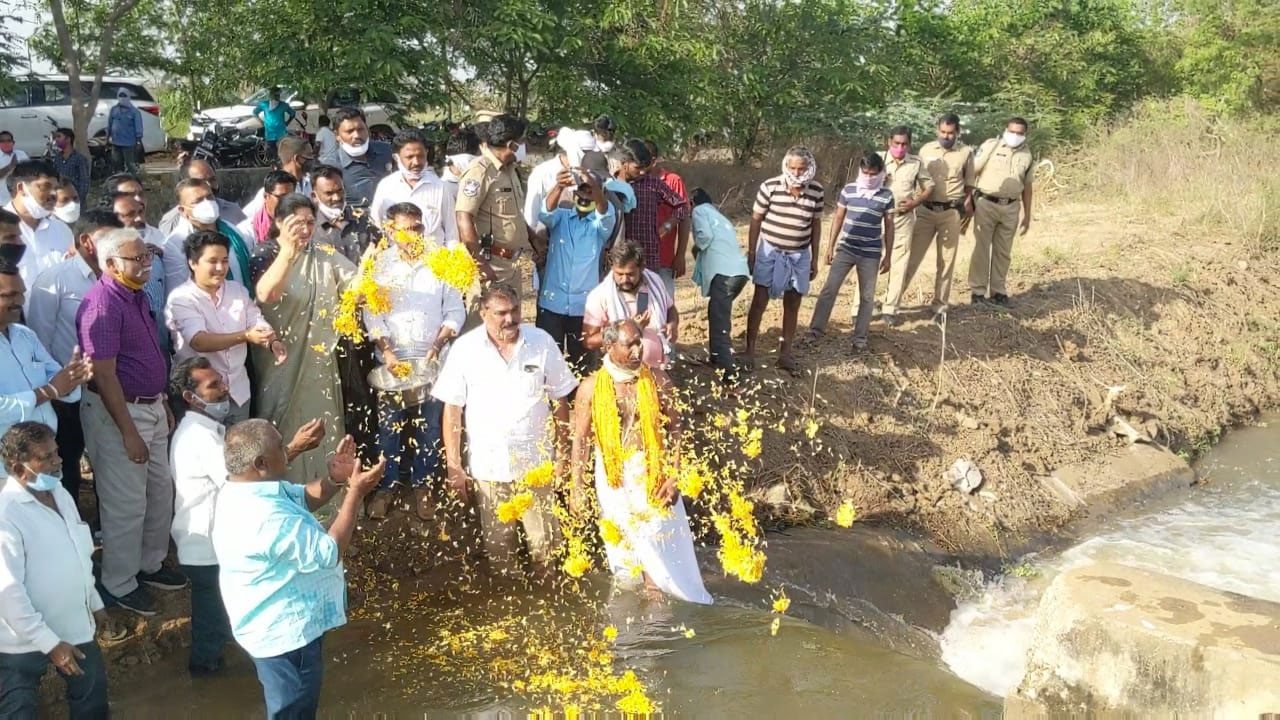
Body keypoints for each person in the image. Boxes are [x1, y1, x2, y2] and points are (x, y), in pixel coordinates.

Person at [212, 419, 383, 718]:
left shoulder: (241, 489)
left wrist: (335, 480)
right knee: (293, 710)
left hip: (267, 625)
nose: (289, 449)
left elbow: (300, 498)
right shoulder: (264, 518)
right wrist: (355, 493)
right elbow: (329, 553)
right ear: (261, 463)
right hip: (286, 637)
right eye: (281, 446)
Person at [168, 358, 324, 677]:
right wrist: (293, 448)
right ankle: (209, 683)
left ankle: (228, 680)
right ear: (189, 397)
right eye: (213, 386)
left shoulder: (206, 430)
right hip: (206, 547)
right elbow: (245, 480)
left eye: (221, 381)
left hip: (211, 544)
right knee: (211, 629)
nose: (224, 388)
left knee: (221, 619)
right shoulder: (199, 436)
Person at [77, 227, 186, 616]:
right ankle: (119, 582)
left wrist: (160, 403)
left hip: (150, 406)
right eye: (136, 258)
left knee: (159, 491)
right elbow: (103, 375)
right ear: (109, 264)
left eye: (147, 257)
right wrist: (128, 432)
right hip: (119, 412)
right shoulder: (102, 304)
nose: (146, 264)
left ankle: (150, 564)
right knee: (126, 503)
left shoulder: (134, 296)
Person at [432, 284, 576, 576]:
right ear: (483, 313)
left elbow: (560, 402)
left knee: (546, 548)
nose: (510, 319)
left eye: (515, 311)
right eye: (501, 313)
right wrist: (454, 466)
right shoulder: (465, 349)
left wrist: (563, 457)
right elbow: (452, 411)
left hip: (537, 466)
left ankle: (548, 606)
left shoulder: (542, 342)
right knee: (499, 551)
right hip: (490, 467)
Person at [570, 319, 712, 604]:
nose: (638, 350)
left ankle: (664, 615)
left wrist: (675, 476)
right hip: (612, 477)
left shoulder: (657, 380)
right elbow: (581, 440)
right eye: (629, 344)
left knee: (659, 547)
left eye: (639, 342)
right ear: (609, 346)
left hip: (653, 473)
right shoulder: (590, 387)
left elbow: (676, 429)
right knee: (624, 553)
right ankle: (633, 628)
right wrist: (577, 488)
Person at [0, 421, 110, 718]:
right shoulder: (6, 514)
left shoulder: (60, 493)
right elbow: (8, 593)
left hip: (74, 626)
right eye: (46, 457)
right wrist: (49, 643)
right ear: (18, 467)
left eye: (57, 452)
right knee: (18, 711)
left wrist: (95, 602)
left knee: (92, 705)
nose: (58, 461)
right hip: (20, 642)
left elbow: (79, 553)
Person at [362, 203, 464, 521]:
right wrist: (388, 351)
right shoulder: (379, 266)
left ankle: (422, 487)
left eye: (419, 227)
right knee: (389, 429)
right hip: (393, 362)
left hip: (432, 360)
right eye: (407, 228)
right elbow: (371, 313)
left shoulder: (441, 264)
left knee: (430, 427)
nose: (415, 234)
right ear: (391, 231)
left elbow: (454, 311)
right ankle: (387, 486)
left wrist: (437, 344)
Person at [251, 194, 359, 485]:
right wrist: (288, 252)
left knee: (322, 415)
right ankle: (284, 488)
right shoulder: (265, 253)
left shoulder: (322, 253)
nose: (305, 229)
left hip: (318, 361)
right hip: (278, 359)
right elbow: (266, 295)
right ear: (279, 222)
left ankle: (327, 489)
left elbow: (357, 284)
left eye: (310, 222)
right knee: (281, 421)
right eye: (296, 222)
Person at [28, 211, 122, 505]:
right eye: (108, 237)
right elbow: (40, 340)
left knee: (108, 458)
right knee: (67, 459)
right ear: (86, 240)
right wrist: (60, 386)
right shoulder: (55, 280)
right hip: (67, 393)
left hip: (109, 385)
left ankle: (104, 524)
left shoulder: (116, 277)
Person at [167, 231, 286, 425]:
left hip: (238, 392)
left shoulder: (236, 290)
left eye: (224, 260)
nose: (220, 268)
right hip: (203, 396)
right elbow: (199, 341)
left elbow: (255, 319)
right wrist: (246, 336)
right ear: (193, 263)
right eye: (212, 261)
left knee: (240, 451)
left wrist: (271, 341)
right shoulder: (182, 298)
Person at [743, 146, 825, 372]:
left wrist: (814, 258)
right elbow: (755, 220)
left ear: (809, 168)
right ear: (786, 166)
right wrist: (752, 252)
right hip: (770, 251)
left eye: (802, 168)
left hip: (799, 254)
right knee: (760, 300)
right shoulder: (770, 187)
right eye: (793, 168)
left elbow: (816, 225)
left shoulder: (816, 191)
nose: (797, 173)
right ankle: (749, 350)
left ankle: (785, 353)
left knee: (793, 302)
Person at [806, 151, 896, 351]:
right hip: (846, 249)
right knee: (829, 289)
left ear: (881, 172)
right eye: (865, 173)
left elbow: (889, 226)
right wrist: (830, 247)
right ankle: (815, 330)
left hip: (871, 253)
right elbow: (838, 218)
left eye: (873, 174)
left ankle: (860, 338)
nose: (869, 178)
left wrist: (888, 255)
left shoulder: (886, 196)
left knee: (866, 296)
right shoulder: (849, 190)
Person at [0, 265, 93, 440]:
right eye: (10, 295)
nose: (20, 301)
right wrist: (49, 391)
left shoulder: (24, 335)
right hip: (7, 461)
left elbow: (56, 379)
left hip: (45, 452)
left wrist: (72, 377)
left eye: (21, 293)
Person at [537, 167, 615, 370]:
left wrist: (594, 185)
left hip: (584, 307)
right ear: (574, 193)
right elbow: (545, 213)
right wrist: (559, 185)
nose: (584, 197)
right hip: (552, 303)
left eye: (591, 192)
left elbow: (604, 212)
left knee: (582, 364)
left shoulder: (600, 225)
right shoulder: (560, 217)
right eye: (582, 191)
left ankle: (579, 400)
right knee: (547, 360)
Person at [898, 112, 974, 320]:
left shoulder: (966, 153)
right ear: (937, 130)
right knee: (911, 258)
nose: (946, 136)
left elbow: (969, 185)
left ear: (957, 132)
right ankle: (893, 301)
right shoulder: (926, 150)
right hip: (925, 212)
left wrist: (965, 209)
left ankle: (940, 305)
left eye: (950, 133)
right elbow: (916, 179)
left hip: (950, 213)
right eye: (942, 132)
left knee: (946, 261)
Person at [455, 114, 535, 294]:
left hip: (512, 264)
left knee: (510, 320)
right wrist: (480, 264)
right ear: (511, 145)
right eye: (522, 141)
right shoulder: (480, 171)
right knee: (485, 320)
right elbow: (463, 216)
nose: (524, 145)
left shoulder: (510, 169)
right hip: (491, 264)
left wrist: (533, 238)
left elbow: (513, 215)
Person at [968, 117, 1035, 306]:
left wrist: (1028, 215)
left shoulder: (1027, 155)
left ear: (1025, 134)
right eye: (1012, 131)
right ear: (1006, 129)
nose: (1015, 136)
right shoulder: (991, 146)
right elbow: (973, 171)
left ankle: (998, 291)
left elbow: (1027, 188)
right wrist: (966, 199)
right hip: (986, 203)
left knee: (1003, 251)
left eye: (1019, 133)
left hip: (1012, 207)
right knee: (981, 249)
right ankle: (978, 291)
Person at [877, 126, 937, 326]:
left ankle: (890, 309)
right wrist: (878, 181)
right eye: (896, 143)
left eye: (904, 144)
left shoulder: (916, 163)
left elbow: (929, 186)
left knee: (899, 262)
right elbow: (861, 183)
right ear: (889, 142)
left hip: (902, 217)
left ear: (909, 144)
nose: (900, 148)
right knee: (870, 261)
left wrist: (916, 202)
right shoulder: (877, 159)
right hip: (877, 218)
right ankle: (861, 306)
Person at [583, 241, 676, 369]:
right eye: (619, 274)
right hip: (622, 375)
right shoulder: (600, 295)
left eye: (630, 274)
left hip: (658, 368)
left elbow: (671, 308)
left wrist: (672, 323)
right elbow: (588, 341)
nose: (624, 280)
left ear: (641, 268)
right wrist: (629, 328)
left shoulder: (654, 282)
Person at [689, 188, 750, 384]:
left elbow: (705, 237)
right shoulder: (720, 216)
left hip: (724, 275)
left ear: (692, 203)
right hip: (738, 272)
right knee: (716, 313)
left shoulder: (698, 212)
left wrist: (695, 247)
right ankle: (716, 357)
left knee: (720, 324)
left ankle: (729, 375)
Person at [617, 140, 690, 298]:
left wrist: (667, 226)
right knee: (623, 304)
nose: (643, 172)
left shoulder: (653, 184)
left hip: (648, 259)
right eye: (638, 168)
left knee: (646, 302)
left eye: (645, 167)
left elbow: (683, 207)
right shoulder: (610, 187)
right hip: (621, 261)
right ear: (624, 164)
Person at [162, 178, 256, 295]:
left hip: (244, 305)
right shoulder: (176, 243)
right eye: (198, 201)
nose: (207, 203)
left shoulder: (231, 230)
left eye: (210, 197)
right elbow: (177, 291)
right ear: (182, 210)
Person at [109, 185, 170, 353]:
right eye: (129, 215)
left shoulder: (154, 253)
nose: (138, 220)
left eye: (139, 212)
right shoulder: (105, 264)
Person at [369, 129, 457, 244]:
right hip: (396, 259)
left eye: (420, 156)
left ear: (426, 153)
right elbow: (376, 226)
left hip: (433, 259)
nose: (416, 162)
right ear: (397, 158)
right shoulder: (385, 186)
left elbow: (452, 233)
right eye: (409, 157)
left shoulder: (441, 187)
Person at [4, 160, 73, 290]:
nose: (53, 194)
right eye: (45, 186)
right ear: (21, 188)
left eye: (55, 188)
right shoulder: (3, 227)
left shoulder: (62, 231)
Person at [644, 140, 690, 297]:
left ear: (654, 159)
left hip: (664, 259)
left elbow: (684, 216)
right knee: (642, 310)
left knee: (665, 306)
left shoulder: (672, 181)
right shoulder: (633, 182)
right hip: (639, 260)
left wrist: (680, 255)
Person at [159, 159, 247, 236]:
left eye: (212, 180)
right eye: (201, 182)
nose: (208, 186)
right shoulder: (172, 221)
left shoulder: (233, 211)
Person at [332, 107, 394, 208]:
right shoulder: (331, 166)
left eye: (360, 129)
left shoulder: (387, 151)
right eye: (349, 131)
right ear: (337, 135)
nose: (356, 135)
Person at [310, 165, 373, 262]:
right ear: (314, 196)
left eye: (340, 191)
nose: (337, 198)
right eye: (329, 193)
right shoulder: (310, 229)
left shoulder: (363, 220)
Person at [242, 137, 315, 221]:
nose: (312, 159)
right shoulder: (273, 192)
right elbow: (245, 217)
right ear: (297, 159)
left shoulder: (310, 183)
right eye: (309, 155)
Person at [238, 171, 298, 246]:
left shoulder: (303, 227)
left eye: (291, 197)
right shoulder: (246, 232)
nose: (286, 202)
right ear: (266, 196)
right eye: (281, 197)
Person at [46, 128, 90, 204]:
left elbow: (84, 181)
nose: (56, 140)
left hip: (75, 197)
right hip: (59, 198)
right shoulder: (57, 158)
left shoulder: (79, 159)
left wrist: (79, 198)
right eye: (55, 137)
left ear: (68, 139)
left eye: (59, 137)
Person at [253, 87, 297, 161]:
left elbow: (293, 114)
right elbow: (255, 112)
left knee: (282, 155)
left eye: (278, 95)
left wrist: (287, 122)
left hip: (281, 135)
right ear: (270, 95)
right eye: (275, 95)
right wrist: (261, 122)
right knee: (270, 155)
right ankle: (274, 168)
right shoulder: (264, 104)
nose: (277, 97)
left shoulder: (283, 105)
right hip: (269, 134)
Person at [106, 89, 144, 174]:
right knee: (116, 164)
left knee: (130, 165)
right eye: (120, 96)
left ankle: (133, 181)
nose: (122, 98)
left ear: (128, 97)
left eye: (124, 96)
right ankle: (119, 180)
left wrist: (138, 141)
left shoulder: (134, 112)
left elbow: (139, 127)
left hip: (129, 143)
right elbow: (110, 124)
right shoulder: (114, 109)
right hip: (116, 142)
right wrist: (107, 137)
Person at [0, 131, 32, 207]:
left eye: (9, 140)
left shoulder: (21, 154)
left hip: (22, 200)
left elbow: (31, 171)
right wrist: (10, 166)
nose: (6, 143)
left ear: (13, 142)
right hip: (3, 202)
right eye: (2, 141)